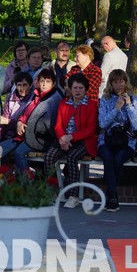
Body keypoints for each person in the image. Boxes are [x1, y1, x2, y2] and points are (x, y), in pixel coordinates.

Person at [44, 74, 97, 209]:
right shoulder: (63, 103)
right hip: (64, 139)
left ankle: (73, 196)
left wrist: (71, 137)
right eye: (75, 88)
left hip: (83, 140)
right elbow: (58, 126)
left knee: (72, 157)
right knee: (49, 156)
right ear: (70, 89)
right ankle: (52, 190)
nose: (78, 91)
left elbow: (90, 129)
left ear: (86, 89)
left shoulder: (92, 105)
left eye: (80, 88)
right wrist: (63, 138)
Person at [97, 69, 137, 212]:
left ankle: (110, 195)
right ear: (111, 83)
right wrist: (116, 108)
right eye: (115, 81)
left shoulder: (134, 99)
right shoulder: (105, 99)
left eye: (121, 81)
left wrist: (128, 106)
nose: (118, 84)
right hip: (107, 140)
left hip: (127, 141)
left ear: (125, 82)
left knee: (118, 159)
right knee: (108, 157)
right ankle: (113, 196)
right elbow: (102, 123)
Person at [15, 69, 64, 166]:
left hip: (41, 139)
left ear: (53, 83)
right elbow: (24, 112)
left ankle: (26, 180)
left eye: (48, 81)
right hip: (26, 135)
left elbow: (50, 124)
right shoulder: (36, 94)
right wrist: (20, 121)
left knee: (18, 153)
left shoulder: (54, 99)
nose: (44, 84)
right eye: (42, 81)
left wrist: (27, 128)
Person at [0, 72, 33, 169]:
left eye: (25, 85)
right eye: (19, 85)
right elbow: (4, 117)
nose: (22, 88)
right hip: (10, 134)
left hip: (23, 136)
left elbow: (26, 122)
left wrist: (9, 121)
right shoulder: (11, 97)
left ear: (30, 86)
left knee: (2, 151)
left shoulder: (32, 99)